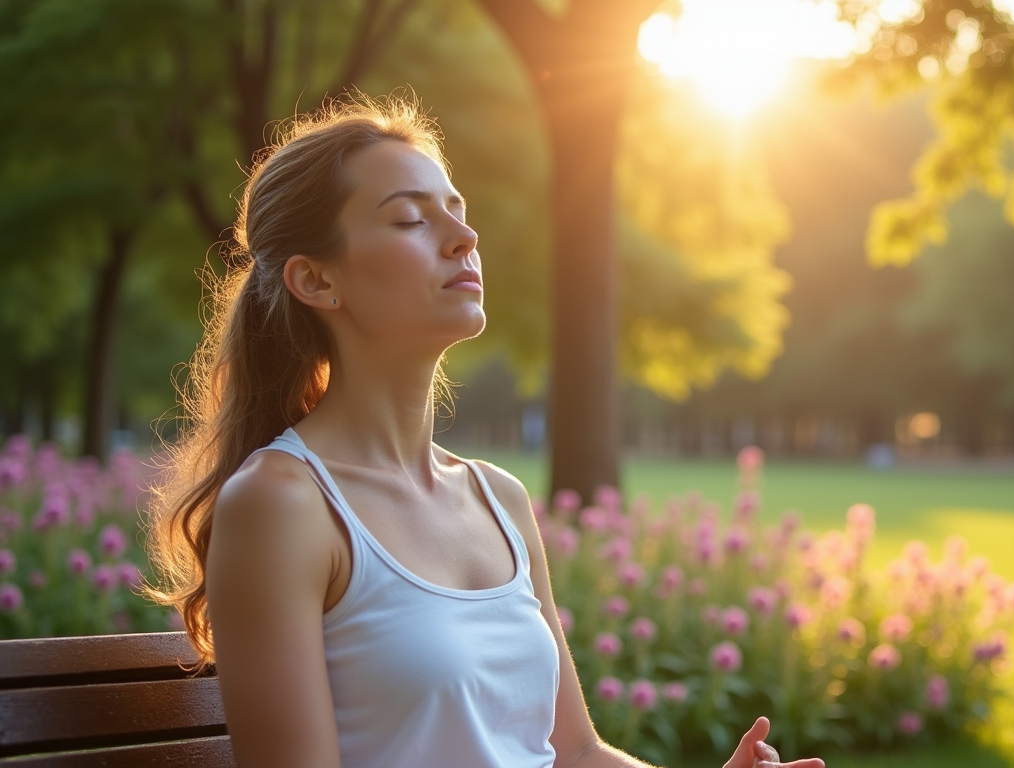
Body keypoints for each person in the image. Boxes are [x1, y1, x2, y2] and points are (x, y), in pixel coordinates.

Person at [145, 96, 825, 768]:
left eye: (457, 212)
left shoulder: (497, 499)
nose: (463, 238)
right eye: (411, 219)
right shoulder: (282, 505)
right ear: (317, 280)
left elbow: (577, 752)